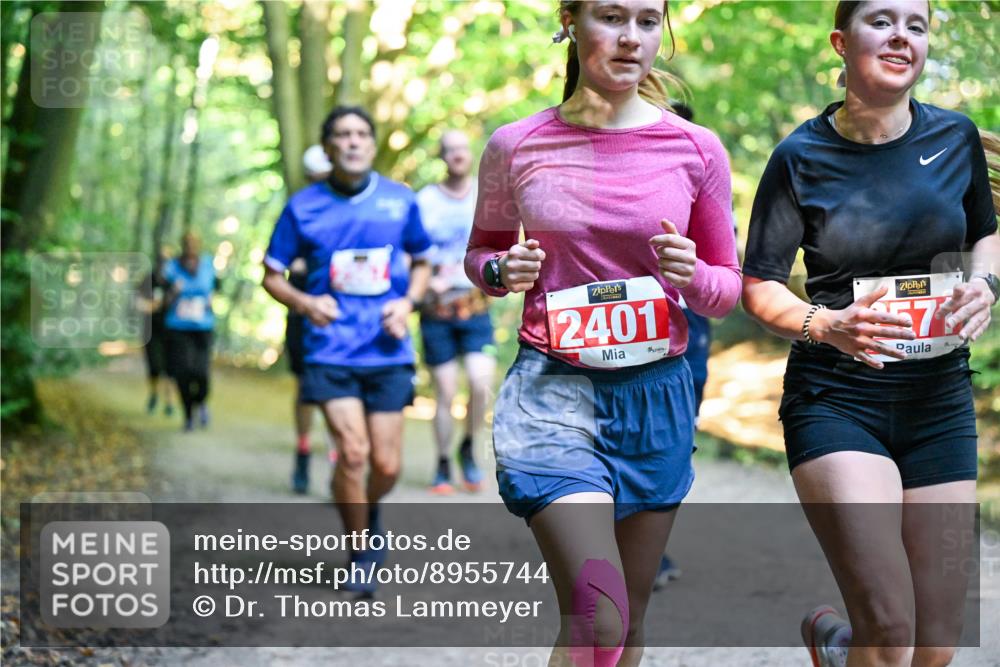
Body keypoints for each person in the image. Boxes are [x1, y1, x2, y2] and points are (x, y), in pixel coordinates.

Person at [465, 2, 741, 664]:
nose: (630, 37)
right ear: (570, 20)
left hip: (655, 397)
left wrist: (691, 274)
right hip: (553, 394)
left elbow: (727, 286)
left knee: (631, 624)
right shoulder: (516, 144)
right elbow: (481, 255)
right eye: (612, 17)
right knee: (600, 618)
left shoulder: (696, 148)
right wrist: (505, 269)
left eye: (648, 21)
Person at [741, 2, 999, 666]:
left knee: (935, 647)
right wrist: (824, 324)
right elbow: (759, 286)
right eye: (882, 19)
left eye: (916, 25)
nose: (901, 36)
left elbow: (986, 234)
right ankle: (855, 641)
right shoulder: (799, 156)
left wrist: (986, 286)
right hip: (837, 402)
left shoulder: (956, 138)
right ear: (840, 41)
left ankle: (836, 646)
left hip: (939, 403)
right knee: (890, 631)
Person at [262, 106, 432, 595]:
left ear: (372, 144)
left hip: (387, 349)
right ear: (329, 147)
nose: (353, 142)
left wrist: (408, 303)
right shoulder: (303, 206)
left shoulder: (400, 202)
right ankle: (361, 551)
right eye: (342, 135)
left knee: (387, 465)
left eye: (361, 134)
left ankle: (366, 509)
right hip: (329, 349)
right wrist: (305, 302)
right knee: (353, 452)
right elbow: (271, 276)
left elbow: (422, 262)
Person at [416, 129, 496, 495]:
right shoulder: (425, 201)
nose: (458, 155)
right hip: (437, 311)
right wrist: (424, 282)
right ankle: (443, 461)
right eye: (450, 151)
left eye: (463, 149)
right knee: (446, 391)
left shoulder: (487, 195)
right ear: (442, 157)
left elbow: (503, 244)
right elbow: (410, 252)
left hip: (476, 308)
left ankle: (468, 446)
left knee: (481, 384)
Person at [290, 145, 335, 495]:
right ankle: (304, 450)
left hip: (344, 313)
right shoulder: (300, 208)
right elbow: (279, 261)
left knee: (344, 389)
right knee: (307, 391)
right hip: (305, 313)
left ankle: (341, 457)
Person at [163, 233, 217, 432]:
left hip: (203, 328)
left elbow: (215, 289)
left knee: (201, 373)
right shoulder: (171, 268)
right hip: (178, 328)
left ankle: (200, 402)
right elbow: (163, 300)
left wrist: (212, 300)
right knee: (183, 372)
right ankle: (188, 416)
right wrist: (173, 292)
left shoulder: (208, 265)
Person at [137, 250, 176, 417]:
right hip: (151, 331)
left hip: (171, 331)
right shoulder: (148, 279)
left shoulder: (173, 281)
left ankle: (169, 402)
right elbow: (138, 301)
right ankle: (154, 395)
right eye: (161, 261)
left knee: (169, 368)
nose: (164, 265)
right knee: (154, 366)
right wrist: (152, 305)